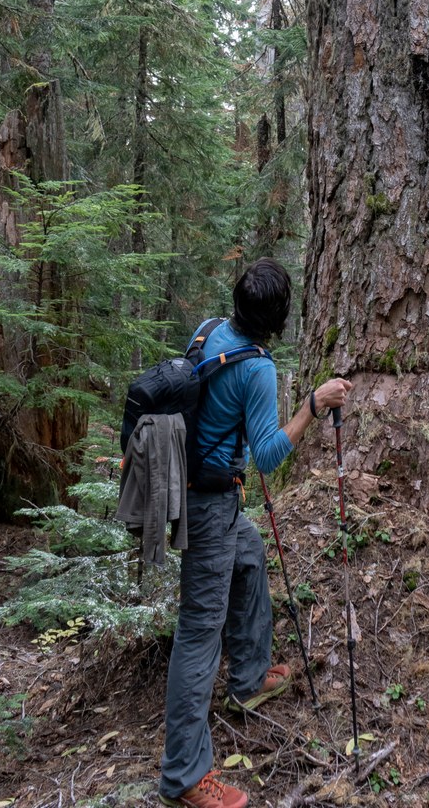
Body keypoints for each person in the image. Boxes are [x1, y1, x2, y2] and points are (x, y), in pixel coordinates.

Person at [158, 258, 352, 808]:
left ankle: (247, 679)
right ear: (278, 319)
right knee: (199, 632)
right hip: (207, 503)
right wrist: (313, 405)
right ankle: (183, 777)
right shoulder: (258, 369)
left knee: (250, 554)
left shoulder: (210, 331)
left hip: (193, 490)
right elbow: (267, 456)